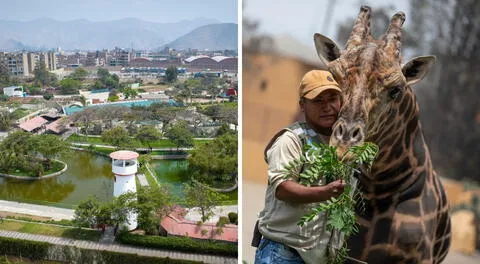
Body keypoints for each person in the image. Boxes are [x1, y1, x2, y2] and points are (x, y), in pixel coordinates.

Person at [253, 70, 346, 264]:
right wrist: (325, 192)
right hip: (283, 254)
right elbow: (283, 188)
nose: (327, 107)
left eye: (332, 99)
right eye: (318, 101)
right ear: (302, 105)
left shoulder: (345, 147)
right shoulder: (292, 140)